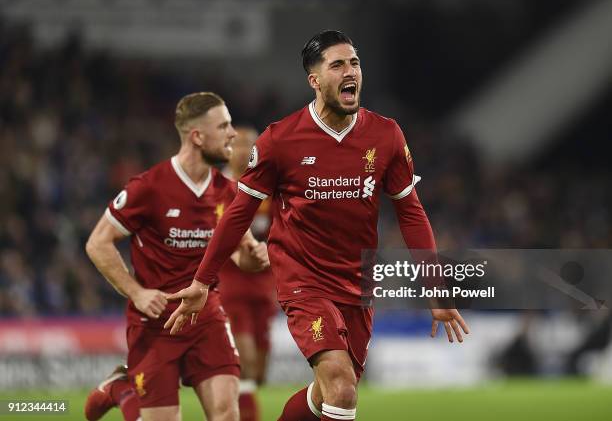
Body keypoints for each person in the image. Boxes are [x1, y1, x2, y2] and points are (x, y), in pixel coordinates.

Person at [165, 31, 469, 421]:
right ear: (315, 80)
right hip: (303, 279)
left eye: (355, 63)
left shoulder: (386, 134)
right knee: (341, 390)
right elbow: (239, 212)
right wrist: (202, 281)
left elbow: (410, 213)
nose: (351, 71)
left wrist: (435, 286)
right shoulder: (281, 139)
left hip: (358, 282)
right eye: (337, 64)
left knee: (329, 393)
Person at [84, 92, 270, 421]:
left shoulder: (229, 192)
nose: (232, 134)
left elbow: (242, 255)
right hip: (155, 324)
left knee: (228, 415)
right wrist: (137, 292)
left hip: (207, 317)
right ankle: (120, 389)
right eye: (224, 126)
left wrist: (255, 256)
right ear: (197, 136)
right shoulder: (149, 188)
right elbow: (98, 242)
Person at [218, 126, 278, 421]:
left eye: (249, 144)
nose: (244, 150)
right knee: (246, 361)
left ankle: (235, 405)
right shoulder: (217, 187)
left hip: (265, 285)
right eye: (238, 144)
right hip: (232, 285)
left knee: (261, 372)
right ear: (227, 148)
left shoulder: (269, 187)